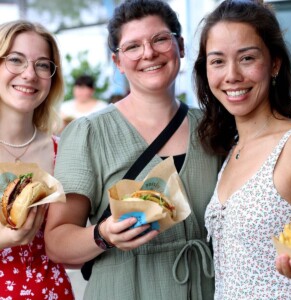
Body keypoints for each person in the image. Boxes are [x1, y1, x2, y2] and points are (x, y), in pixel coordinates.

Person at [44, 0, 220, 299]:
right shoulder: (89, 133)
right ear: (117, 61)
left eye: (160, 39)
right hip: (126, 288)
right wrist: (102, 235)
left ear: (180, 45)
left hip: (208, 286)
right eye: (133, 46)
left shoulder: (213, 126)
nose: (148, 53)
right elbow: (57, 243)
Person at [193, 0, 291, 298]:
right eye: (217, 61)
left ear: (274, 63)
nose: (232, 75)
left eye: (247, 58)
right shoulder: (230, 149)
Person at [0, 20, 74, 299]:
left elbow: (71, 248)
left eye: (43, 65)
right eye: (16, 60)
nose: (29, 74)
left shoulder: (64, 151)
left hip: (52, 292)